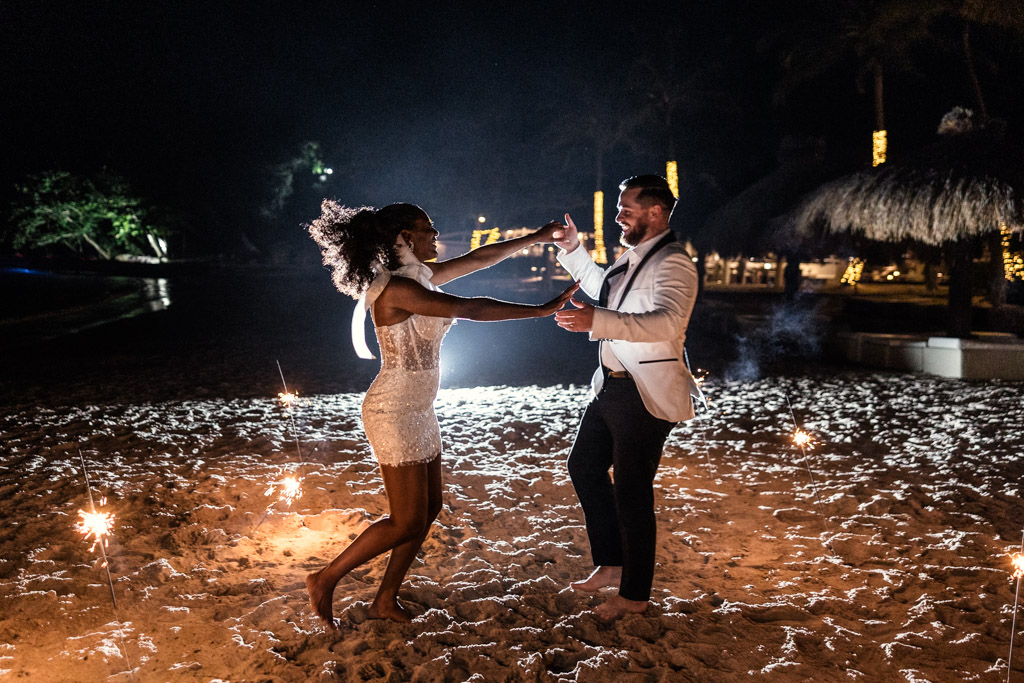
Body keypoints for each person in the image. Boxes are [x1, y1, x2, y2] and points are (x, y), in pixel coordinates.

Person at [305, 200, 576, 627]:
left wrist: (536, 238)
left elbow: (478, 259)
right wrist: (538, 311)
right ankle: (325, 578)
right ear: (407, 238)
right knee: (405, 518)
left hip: (419, 408)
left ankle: (385, 601)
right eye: (429, 229)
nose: (436, 236)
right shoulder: (396, 289)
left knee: (427, 510)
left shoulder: (419, 277)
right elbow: (469, 308)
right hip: (392, 409)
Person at [550, 174, 700, 620]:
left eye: (626, 208)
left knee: (633, 493)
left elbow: (668, 324)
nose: (618, 216)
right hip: (612, 385)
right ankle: (612, 564)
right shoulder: (633, 258)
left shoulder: (673, 262)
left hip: (645, 391)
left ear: (655, 212)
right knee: (583, 465)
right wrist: (574, 250)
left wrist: (600, 322)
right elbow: (603, 292)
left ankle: (635, 595)